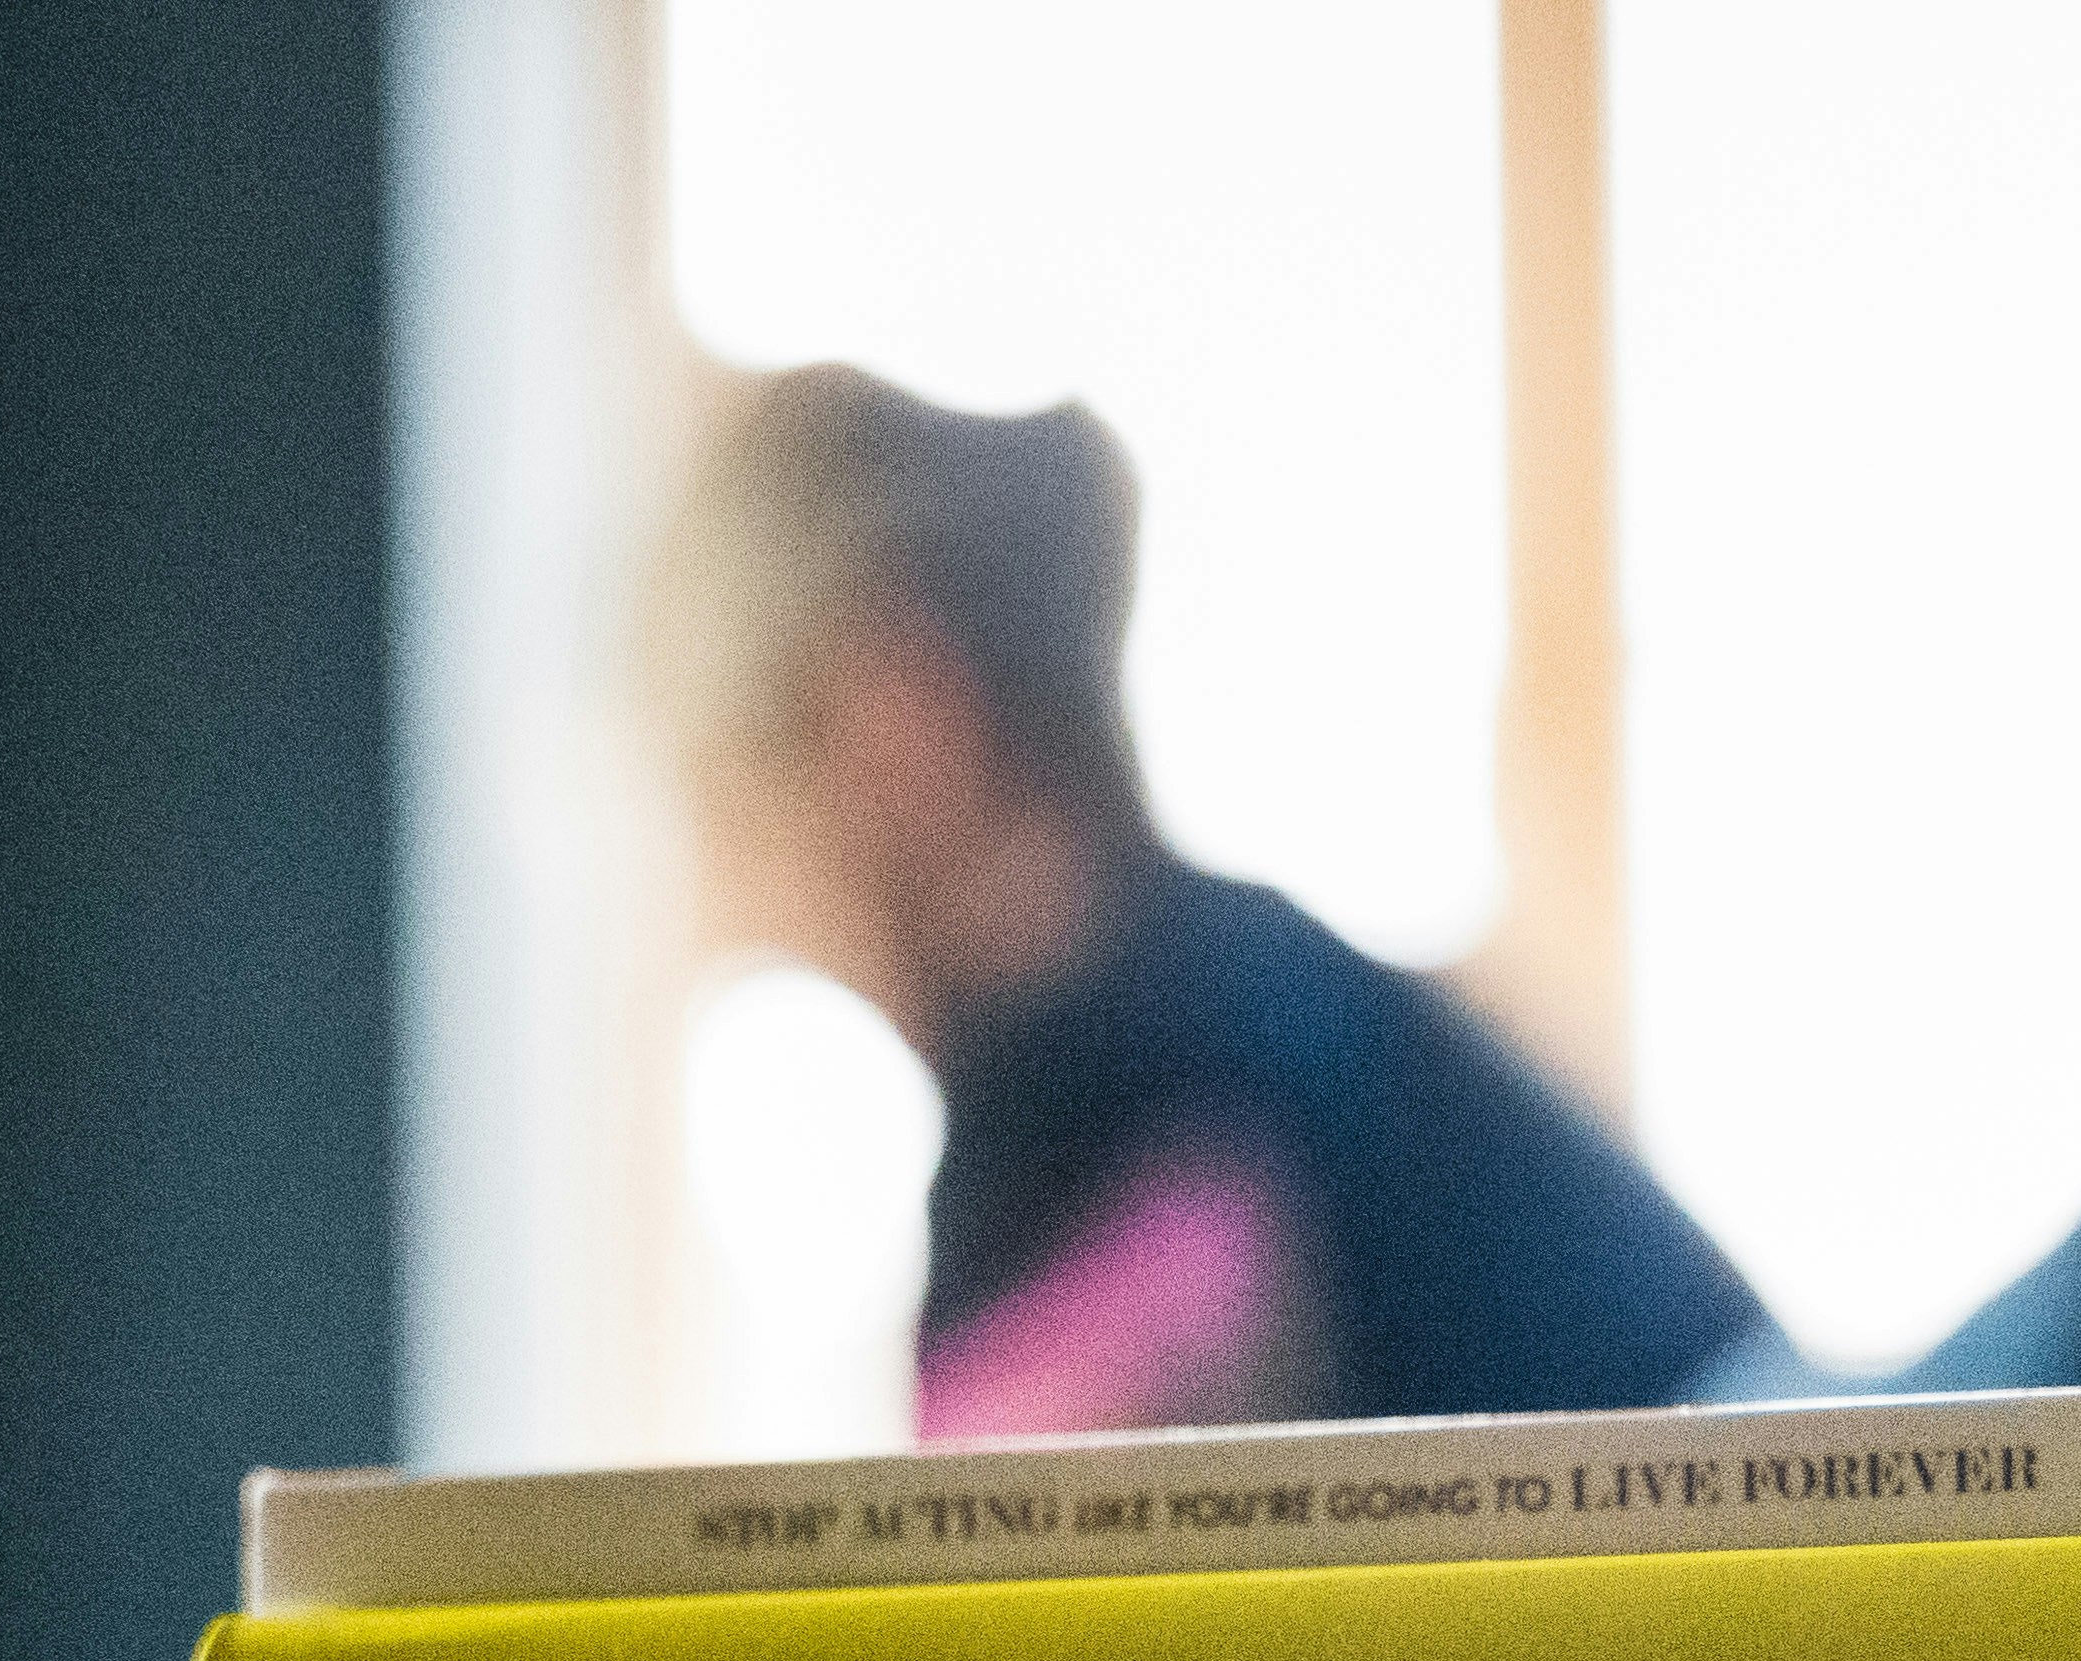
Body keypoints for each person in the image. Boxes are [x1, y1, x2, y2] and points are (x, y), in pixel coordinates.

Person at [648, 363, 1763, 1438]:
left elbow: (1080, 1463)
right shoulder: (1227, 1004)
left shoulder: (1189, 1057)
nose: (723, 907)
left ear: (887, 711)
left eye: (727, 800)